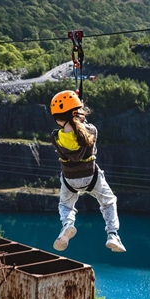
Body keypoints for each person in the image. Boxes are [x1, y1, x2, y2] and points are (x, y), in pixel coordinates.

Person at [49, 90, 125, 253]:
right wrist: (79, 109)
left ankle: (68, 225)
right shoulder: (92, 131)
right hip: (92, 177)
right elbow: (84, 128)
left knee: (65, 205)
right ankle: (112, 234)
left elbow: (72, 128)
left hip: (70, 180)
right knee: (108, 201)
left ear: (57, 119)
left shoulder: (55, 137)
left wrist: (75, 112)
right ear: (77, 113)